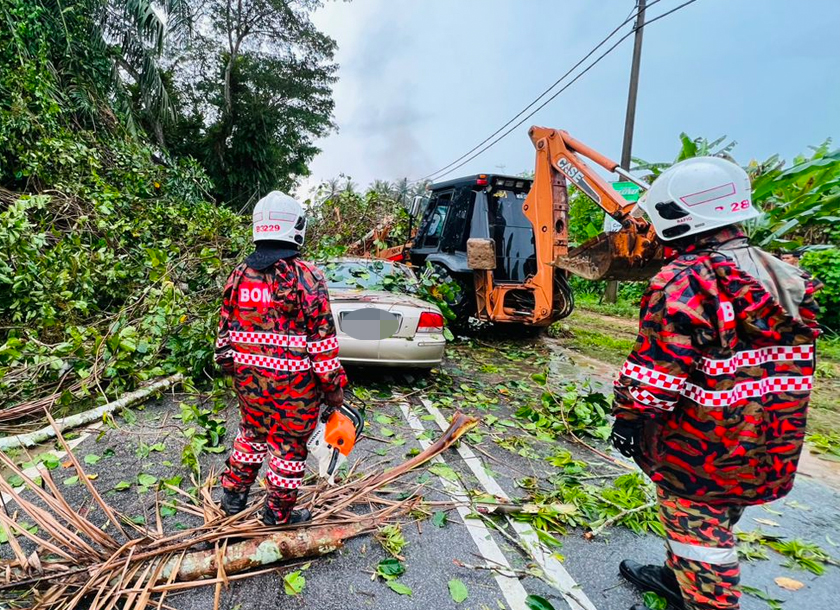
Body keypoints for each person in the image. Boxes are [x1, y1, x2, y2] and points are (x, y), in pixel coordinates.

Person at [610, 158, 821, 610]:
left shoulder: (685, 280)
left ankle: (705, 600)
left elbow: (656, 372)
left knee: (700, 536)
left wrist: (627, 419)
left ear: (678, 215)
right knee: (718, 514)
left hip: (700, 443)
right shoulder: (783, 274)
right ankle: (676, 579)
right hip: (768, 435)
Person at [215, 191, 347, 525]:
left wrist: (236, 370)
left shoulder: (238, 275)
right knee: (289, 449)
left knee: (251, 434)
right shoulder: (308, 276)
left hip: (249, 383)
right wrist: (333, 387)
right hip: (296, 389)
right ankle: (277, 514)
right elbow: (322, 342)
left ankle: (232, 499)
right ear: (295, 227)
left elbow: (224, 338)